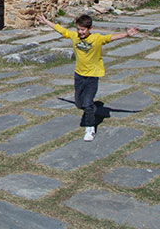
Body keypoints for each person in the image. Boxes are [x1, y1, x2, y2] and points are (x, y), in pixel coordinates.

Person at [36, 13, 140, 141]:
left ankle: (90, 128)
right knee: (79, 104)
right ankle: (92, 108)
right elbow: (61, 29)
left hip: (92, 76)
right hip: (79, 75)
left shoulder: (96, 39)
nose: (80, 32)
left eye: (83, 30)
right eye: (78, 29)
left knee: (87, 102)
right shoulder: (74, 36)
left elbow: (111, 37)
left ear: (89, 29)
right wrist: (46, 21)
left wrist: (127, 34)